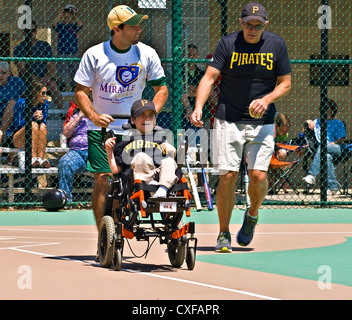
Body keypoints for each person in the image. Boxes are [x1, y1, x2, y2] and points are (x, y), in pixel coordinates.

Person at [190, 2, 292, 252]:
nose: (252, 29)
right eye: (248, 24)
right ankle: (223, 233)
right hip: (228, 117)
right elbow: (209, 77)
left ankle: (252, 214)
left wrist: (267, 99)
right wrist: (198, 106)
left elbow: (285, 83)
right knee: (227, 176)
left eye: (258, 25)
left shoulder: (276, 44)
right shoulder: (227, 44)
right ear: (241, 22)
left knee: (258, 176)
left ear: (265, 25)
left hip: (263, 121)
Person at [74, 5, 168, 228]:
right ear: (117, 29)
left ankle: (124, 225)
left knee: (133, 178)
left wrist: (148, 116)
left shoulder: (147, 53)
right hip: (101, 130)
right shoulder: (95, 54)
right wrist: (95, 117)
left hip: (134, 130)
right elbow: (80, 91)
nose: (139, 29)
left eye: (139, 25)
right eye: (133, 26)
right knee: (104, 179)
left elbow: (161, 90)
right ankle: (104, 237)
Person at [105, 99, 178, 198]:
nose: (147, 119)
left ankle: (162, 190)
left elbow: (169, 156)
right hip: (138, 179)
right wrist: (109, 150)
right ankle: (150, 185)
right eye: (142, 116)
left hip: (160, 177)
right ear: (132, 120)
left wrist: (170, 149)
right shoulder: (127, 143)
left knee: (169, 160)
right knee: (141, 156)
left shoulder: (160, 140)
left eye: (151, 116)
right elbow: (116, 169)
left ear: (155, 120)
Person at [13, 21, 64, 109]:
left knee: (53, 84)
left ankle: (63, 112)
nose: (30, 33)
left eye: (32, 30)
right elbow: (23, 69)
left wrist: (46, 77)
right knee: (32, 85)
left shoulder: (44, 45)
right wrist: (36, 80)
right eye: (27, 30)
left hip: (44, 78)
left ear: (36, 31)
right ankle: (32, 111)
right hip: (27, 79)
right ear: (23, 32)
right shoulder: (19, 48)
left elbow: (50, 65)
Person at [302, 99, 348, 195]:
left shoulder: (338, 123)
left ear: (333, 110)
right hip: (322, 151)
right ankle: (333, 187)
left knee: (323, 147)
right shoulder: (318, 122)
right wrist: (309, 121)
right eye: (324, 108)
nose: (326, 110)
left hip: (337, 148)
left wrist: (334, 143)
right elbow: (305, 127)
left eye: (328, 108)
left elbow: (342, 138)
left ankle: (312, 174)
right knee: (326, 157)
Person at [7, 81, 50, 168]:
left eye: (47, 93)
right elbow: (17, 124)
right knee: (33, 124)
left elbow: (44, 121)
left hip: (35, 136)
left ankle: (40, 159)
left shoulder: (44, 104)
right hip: (17, 136)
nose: (45, 95)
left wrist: (41, 118)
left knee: (42, 126)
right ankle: (33, 158)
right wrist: (32, 117)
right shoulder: (22, 102)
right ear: (35, 93)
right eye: (43, 93)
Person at [58, 101, 88, 204]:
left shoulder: (103, 113)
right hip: (78, 152)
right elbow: (66, 132)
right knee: (65, 162)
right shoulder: (76, 115)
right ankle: (66, 200)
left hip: (97, 151)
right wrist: (81, 114)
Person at [52, 4, 83, 91]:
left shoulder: (73, 26)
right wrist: (60, 15)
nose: (66, 19)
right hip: (62, 52)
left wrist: (74, 17)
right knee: (62, 71)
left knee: (74, 69)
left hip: (73, 52)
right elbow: (54, 24)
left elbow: (80, 24)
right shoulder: (61, 26)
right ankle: (63, 85)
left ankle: (74, 86)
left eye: (69, 17)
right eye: (65, 17)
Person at [0, 61, 26, 157]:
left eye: (4, 72)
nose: (1, 75)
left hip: (14, 115)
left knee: (12, 103)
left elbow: (25, 96)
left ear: (9, 72)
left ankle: (2, 132)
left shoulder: (16, 82)